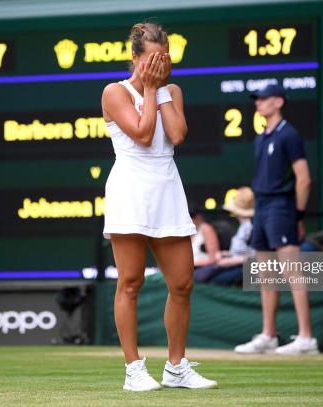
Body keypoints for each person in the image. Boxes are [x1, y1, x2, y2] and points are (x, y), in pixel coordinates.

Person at [101, 22, 217, 391]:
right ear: (135, 58)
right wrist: (150, 88)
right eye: (152, 58)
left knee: (182, 283)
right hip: (130, 191)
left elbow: (177, 135)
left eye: (164, 58)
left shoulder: (172, 91)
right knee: (130, 283)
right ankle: (134, 369)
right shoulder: (113, 92)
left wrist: (160, 89)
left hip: (167, 189)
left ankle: (176, 367)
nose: (159, 64)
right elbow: (144, 133)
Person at [234, 84, 318, 355]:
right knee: (266, 274)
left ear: (278, 102)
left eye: (264, 99)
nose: (258, 103)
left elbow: (303, 179)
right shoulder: (261, 138)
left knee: (292, 271)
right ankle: (269, 335)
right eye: (257, 99)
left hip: (282, 207)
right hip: (261, 206)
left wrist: (298, 215)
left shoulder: (289, 135)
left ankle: (306, 338)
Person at [193, 186, 255, 285]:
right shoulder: (245, 225)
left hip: (247, 268)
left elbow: (254, 256)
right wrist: (226, 254)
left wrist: (228, 261)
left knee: (216, 280)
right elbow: (242, 251)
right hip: (238, 265)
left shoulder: (251, 226)